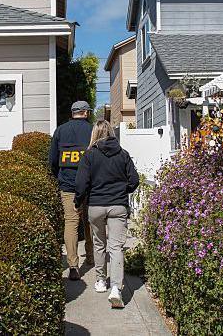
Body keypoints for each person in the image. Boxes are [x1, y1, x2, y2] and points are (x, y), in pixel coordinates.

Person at [75, 120, 139, 309]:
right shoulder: (123, 154)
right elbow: (134, 180)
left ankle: (101, 281)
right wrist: (122, 190)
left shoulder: (89, 155)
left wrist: (78, 201)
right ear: (111, 133)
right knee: (116, 247)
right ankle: (116, 288)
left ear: (94, 134)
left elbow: (81, 184)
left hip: (95, 206)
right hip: (118, 206)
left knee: (99, 244)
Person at [49, 100, 94, 280]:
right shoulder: (92, 130)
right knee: (91, 221)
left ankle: (73, 265)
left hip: (68, 185)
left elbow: (52, 159)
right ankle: (92, 258)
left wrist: (58, 175)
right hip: (90, 185)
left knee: (71, 223)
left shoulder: (60, 131)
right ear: (85, 113)